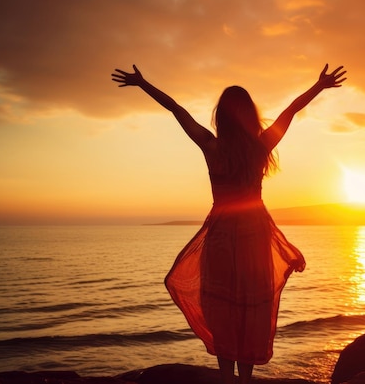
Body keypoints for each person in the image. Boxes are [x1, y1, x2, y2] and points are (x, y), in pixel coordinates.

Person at [111, 63, 346, 384]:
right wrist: (319, 87)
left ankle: (226, 378)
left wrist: (143, 83)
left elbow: (176, 110)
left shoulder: (212, 146)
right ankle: (244, 380)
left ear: (220, 116)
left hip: (222, 235)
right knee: (251, 306)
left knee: (221, 307)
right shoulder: (261, 146)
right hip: (254, 235)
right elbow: (291, 110)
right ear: (250, 115)